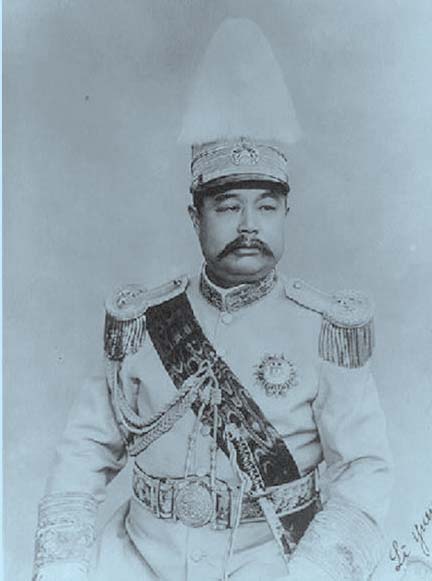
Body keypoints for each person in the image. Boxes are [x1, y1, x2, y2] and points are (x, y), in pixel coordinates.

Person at [32, 18, 393, 581]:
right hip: (136, 560)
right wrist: (62, 566)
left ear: (286, 214)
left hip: (276, 564)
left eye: (266, 206)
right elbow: (84, 452)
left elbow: (364, 472)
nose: (249, 225)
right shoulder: (145, 323)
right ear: (195, 217)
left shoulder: (322, 331)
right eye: (227, 207)